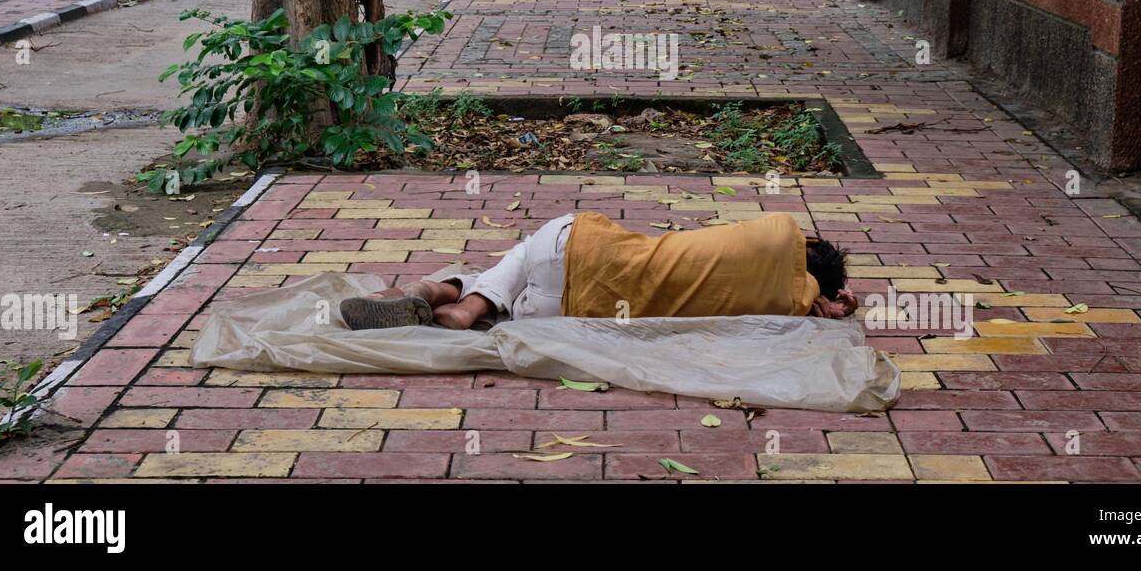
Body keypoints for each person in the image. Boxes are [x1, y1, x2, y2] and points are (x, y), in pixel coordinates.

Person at [340, 211, 859, 332]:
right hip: (558, 313)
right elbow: (803, 292)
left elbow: (792, 252)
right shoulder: (791, 303)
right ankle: (469, 308)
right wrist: (828, 303)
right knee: (522, 276)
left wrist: (816, 275)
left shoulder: (778, 231)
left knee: (526, 253)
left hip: (567, 247)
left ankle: (446, 291)